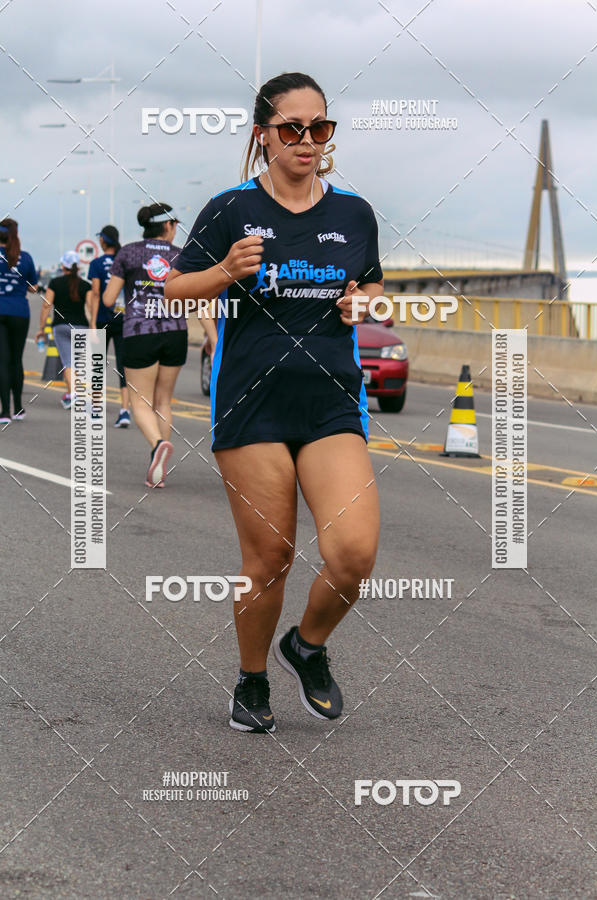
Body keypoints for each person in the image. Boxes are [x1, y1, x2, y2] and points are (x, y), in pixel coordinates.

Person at [165, 72, 384, 733]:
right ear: (263, 135)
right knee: (272, 558)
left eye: (320, 127)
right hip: (252, 403)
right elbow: (174, 289)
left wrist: (367, 302)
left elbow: (372, 286)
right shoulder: (230, 210)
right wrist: (225, 271)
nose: (307, 140)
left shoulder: (353, 213)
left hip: (331, 400)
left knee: (353, 552)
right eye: (293, 128)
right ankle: (252, 678)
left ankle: (307, 646)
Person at [103, 203, 187, 488]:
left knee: (140, 401)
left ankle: (157, 445)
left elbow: (108, 298)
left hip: (139, 331)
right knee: (163, 400)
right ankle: (159, 469)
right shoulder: (181, 256)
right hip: (176, 331)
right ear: (168, 226)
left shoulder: (128, 252)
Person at [35, 251, 90, 410]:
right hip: (81, 326)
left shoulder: (55, 283)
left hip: (61, 327)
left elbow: (47, 305)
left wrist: (41, 328)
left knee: (68, 362)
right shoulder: (85, 285)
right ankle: (72, 392)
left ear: (62, 266)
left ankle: (72, 394)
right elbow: (92, 308)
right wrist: (93, 327)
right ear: (78, 267)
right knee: (77, 363)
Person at [88, 225, 130, 427]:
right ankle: (124, 411)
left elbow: (96, 294)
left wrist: (93, 323)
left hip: (103, 319)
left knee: (97, 364)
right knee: (123, 366)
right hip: (123, 319)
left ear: (103, 240)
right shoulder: (124, 260)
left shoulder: (96, 263)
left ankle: (96, 408)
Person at [0, 217, 38, 424]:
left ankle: (4, 412)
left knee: (2, 361)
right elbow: (34, 287)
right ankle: (19, 408)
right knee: (16, 360)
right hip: (20, 312)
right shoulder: (25, 257)